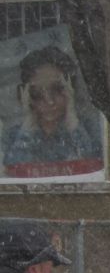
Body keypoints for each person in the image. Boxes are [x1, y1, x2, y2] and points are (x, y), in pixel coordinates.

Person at [3, 46, 102, 178]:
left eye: (57, 89)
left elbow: (94, 170)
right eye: (37, 93)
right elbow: (11, 176)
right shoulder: (13, 136)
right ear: (25, 95)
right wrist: (28, 126)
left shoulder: (90, 129)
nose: (49, 101)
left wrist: (72, 123)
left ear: (70, 88)